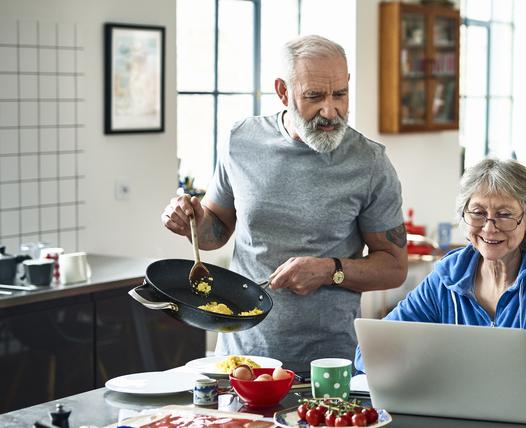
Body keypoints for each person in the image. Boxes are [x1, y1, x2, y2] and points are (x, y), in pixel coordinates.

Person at [161, 35, 408, 372]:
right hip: (239, 357)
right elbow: (215, 232)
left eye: (340, 94)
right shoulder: (241, 140)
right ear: (282, 91)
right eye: (314, 96)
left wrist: (329, 271)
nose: (330, 110)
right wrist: (190, 220)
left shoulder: (369, 162)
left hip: (327, 363)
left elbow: (394, 266)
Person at [356, 159, 526, 396]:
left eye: (505, 214)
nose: (489, 227)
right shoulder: (448, 275)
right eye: (477, 212)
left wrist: (448, 370)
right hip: (482, 412)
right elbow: (369, 353)